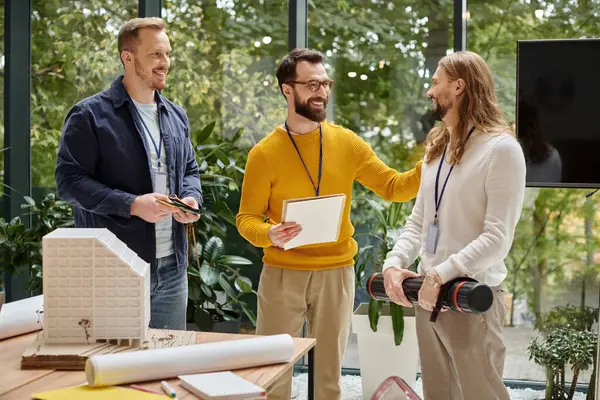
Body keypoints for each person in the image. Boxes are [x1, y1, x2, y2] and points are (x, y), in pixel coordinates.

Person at [235, 48, 423, 400]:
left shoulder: (347, 142)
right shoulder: (263, 154)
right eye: (312, 84)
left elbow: (394, 187)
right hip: (282, 274)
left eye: (325, 83)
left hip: (337, 274)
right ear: (287, 90)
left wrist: (432, 163)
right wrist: (268, 233)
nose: (321, 91)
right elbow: (246, 219)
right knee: (273, 377)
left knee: (329, 382)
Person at [382, 50, 526, 400]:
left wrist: (439, 274)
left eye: (436, 82)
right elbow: (418, 222)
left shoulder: (501, 150)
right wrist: (393, 263)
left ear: (459, 86)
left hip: (471, 299)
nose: (430, 91)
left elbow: (497, 238)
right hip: (428, 298)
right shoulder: (437, 148)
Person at [55, 17, 202, 330]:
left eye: (168, 54)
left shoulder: (175, 115)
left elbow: (189, 168)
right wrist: (132, 204)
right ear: (128, 57)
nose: (165, 63)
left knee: (166, 365)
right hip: (115, 267)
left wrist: (191, 198)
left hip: (172, 270)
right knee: (116, 368)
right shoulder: (89, 115)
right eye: (155, 55)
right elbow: (69, 182)